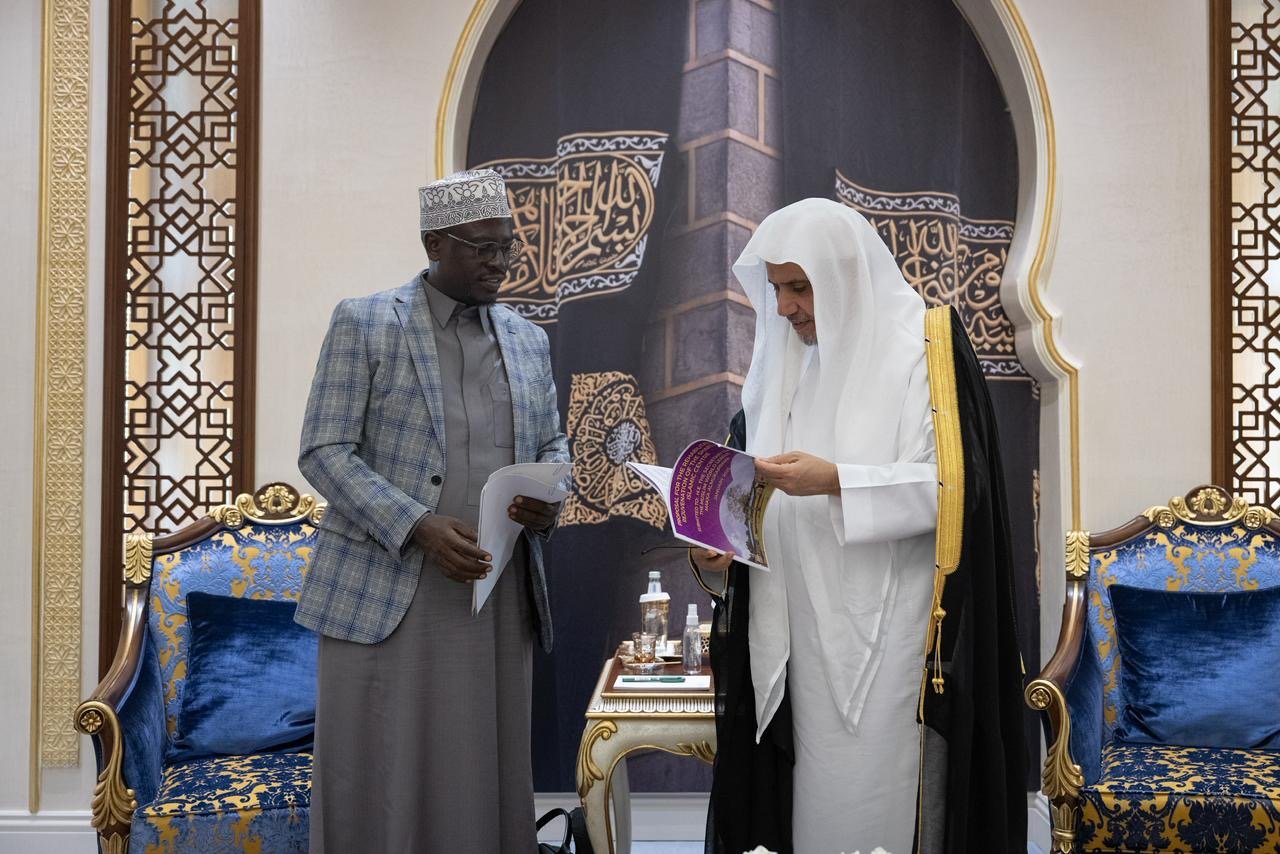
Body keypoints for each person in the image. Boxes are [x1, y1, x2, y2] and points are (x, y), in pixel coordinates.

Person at [689, 198, 1026, 854]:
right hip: (799, 639)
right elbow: (754, 497)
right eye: (778, 288)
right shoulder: (781, 369)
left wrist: (836, 479)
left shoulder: (920, 351)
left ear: (842, 275)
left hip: (890, 637)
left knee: (885, 809)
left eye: (800, 287)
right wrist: (714, 552)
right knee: (815, 815)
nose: (784, 307)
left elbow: (954, 492)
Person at [295, 168, 569, 853]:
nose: (499, 261)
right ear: (434, 243)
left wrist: (549, 500)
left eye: (506, 244)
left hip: (493, 593)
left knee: (482, 774)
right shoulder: (365, 322)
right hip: (391, 592)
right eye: (481, 246)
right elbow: (323, 450)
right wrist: (416, 525)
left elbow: (553, 443)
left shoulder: (529, 340)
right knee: (380, 773)